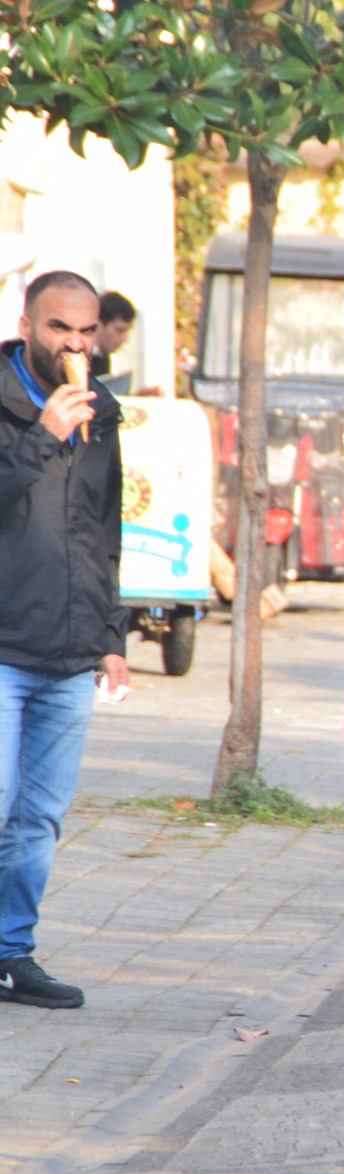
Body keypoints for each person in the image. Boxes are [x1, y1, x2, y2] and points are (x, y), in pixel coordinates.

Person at [0, 270, 129, 1010]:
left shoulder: (102, 410)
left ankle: (12, 953)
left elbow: (101, 525)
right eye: (60, 330)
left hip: (71, 650)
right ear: (27, 325)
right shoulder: (13, 403)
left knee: (39, 816)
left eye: (85, 332)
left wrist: (110, 633)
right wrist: (41, 436)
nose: (76, 344)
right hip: (5, 643)